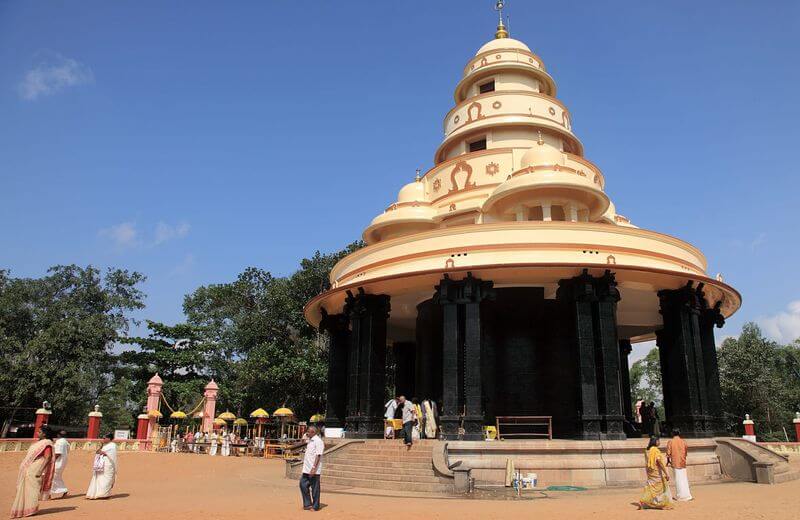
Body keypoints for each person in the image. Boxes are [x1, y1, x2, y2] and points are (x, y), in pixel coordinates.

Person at [10, 426, 56, 518]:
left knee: (33, 489)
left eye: (39, 432)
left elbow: (48, 458)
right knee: (25, 488)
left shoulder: (47, 444)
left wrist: (40, 470)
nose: (37, 433)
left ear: (44, 434)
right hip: (30, 468)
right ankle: (23, 508)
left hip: (36, 468)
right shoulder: (40, 443)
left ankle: (31, 509)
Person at [638, 436, 672, 510]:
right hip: (656, 472)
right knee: (660, 487)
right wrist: (666, 473)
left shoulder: (647, 450)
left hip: (650, 472)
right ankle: (662, 504)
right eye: (658, 441)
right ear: (655, 442)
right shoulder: (655, 450)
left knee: (651, 486)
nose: (659, 442)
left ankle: (647, 502)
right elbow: (659, 462)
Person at [298, 425, 324, 511]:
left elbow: (318, 455)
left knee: (315, 488)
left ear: (313, 432)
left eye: (308, 431)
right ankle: (307, 504)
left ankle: (315, 506)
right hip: (306, 468)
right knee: (303, 485)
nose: (307, 433)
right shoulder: (310, 441)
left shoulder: (318, 441)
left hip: (314, 469)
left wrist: (314, 468)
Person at [86, 432, 117, 499]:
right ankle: (96, 493)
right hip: (101, 464)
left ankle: (104, 494)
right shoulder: (105, 445)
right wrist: (101, 447)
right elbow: (98, 452)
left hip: (108, 464)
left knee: (106, 479)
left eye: (104, 438)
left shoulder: (112, 445)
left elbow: (108, 454)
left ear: (109, 438)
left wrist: (102, 452)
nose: (103, 439)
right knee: (99, 478)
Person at [667, 428, 692, 501]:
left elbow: (668, 453)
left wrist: (668, 461)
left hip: (675, 462)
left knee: (678, 479)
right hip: (682, 462)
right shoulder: (683, 441)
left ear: (672, 433)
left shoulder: (670, 442)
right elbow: (686, 452)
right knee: (684, 478)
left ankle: (680, 496)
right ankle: (687, 495)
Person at [50, 430, 70, 499]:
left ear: (58, 435)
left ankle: (49, 494)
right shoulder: (66, 442)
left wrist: (51, 460)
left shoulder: (60, 442)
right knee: (56, 477)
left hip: (57, 463)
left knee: (52, 477)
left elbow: (58, 453)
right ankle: (64, 490)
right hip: (62, 462)